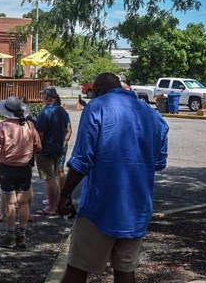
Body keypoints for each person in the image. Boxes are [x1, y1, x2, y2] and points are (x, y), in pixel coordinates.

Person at [57, 73, 169, 283]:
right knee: (126, 270)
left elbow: (82, 160)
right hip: (136, 209)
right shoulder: (153, 115)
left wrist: (64, 194)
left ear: (98, 91)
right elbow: (159, 163)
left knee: (77, 269)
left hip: (99, 208)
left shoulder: (97, 106)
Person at [0, 96, 41, 249]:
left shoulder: (2, 126)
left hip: (7, 168)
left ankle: (10, 235)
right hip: (25, 167)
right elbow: (38, 146)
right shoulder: (30, 125)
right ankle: (22, 235)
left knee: (10, 203)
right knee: (24, 202)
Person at [34, 86, 70, 216]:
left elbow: (40, 134)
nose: (42, 98)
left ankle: (51, 207)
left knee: (49, 179)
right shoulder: (62, 111)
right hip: (58, 148)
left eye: (43, 95)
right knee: (53, 178)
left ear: (47, 97)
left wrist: (36, 148)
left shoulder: (44, 112)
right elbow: (67, 129)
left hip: (46, 150)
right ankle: (54, 205)